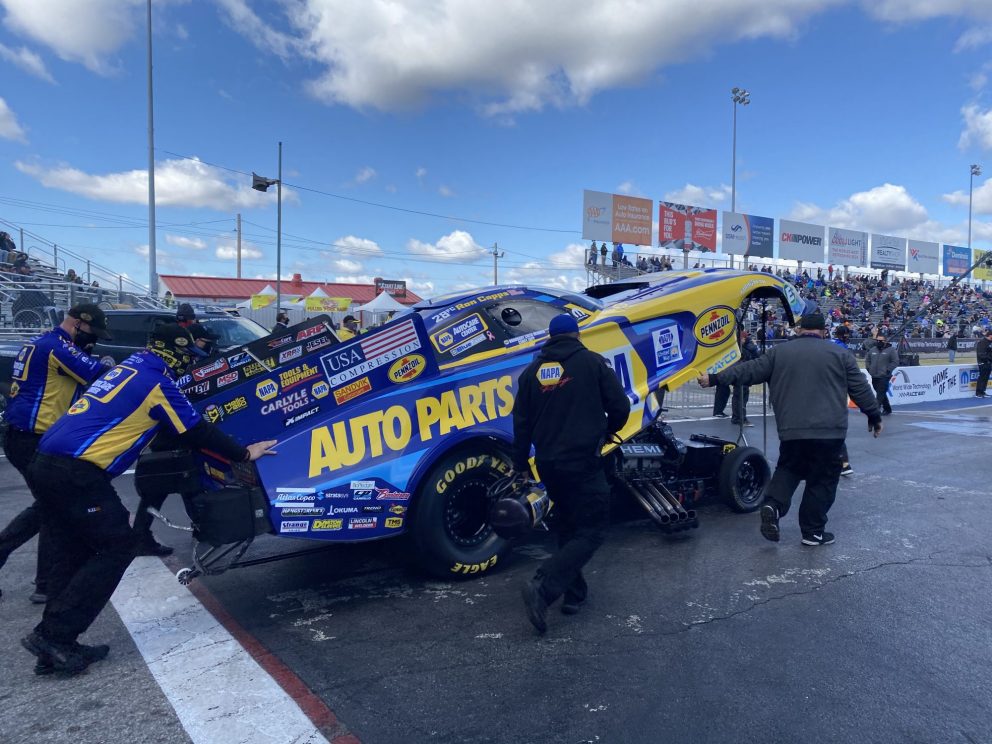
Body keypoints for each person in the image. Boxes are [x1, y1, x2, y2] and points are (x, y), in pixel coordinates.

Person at [20, 324, 277, 676]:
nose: (190, 362)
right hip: (76, 472)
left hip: (47, 462)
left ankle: (54, 645)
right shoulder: (157, 382)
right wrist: (244, 454)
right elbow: (195, 430)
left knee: (72, 550)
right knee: (117, 546)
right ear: (172, 351)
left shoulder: (130, 367)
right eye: (187, 355)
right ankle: (54, 636)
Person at [697, 313, 882, 546]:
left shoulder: (778, 353)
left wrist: (714, 378)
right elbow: (861, 389)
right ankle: (813, 532)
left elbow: (748, 371)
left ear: (799, 330)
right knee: (822, 480)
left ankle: (773, 506)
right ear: (824, 331)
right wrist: (874, 416)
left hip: (792, 429)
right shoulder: (840, 354)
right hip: (829, 432)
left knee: (789, 469)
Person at [512, 313, 629, 633]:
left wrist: (521, 464)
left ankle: (574, 595)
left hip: (548, 464)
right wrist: (607, 430)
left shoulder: (531, 372)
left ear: (550, 338)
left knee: (567, 527)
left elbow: (520, 424)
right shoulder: (592, 364)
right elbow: (620, 406)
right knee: (592, 529)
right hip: (583, 462)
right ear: (577, 335)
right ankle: (543, 586)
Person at [0, 304, 112, 602]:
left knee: (51, 506)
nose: (93, 340)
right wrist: (110, 362)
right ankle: (45, 583)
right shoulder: (57, 346)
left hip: (24, 434)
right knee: (53, 507)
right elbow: (98, 374)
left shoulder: (41, 342)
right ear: (77, 323)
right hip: (32, 437)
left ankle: (46, 582)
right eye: (92, 333)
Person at [866, 333, 899, 415]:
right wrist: (869, 369)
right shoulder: (873, 349)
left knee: (880, 393)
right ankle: (887, 409)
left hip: (884, 376)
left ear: (885, 341)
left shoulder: (891, 350)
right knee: (881, 392)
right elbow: (868, 360)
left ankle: (875, 410)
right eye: (877, 340)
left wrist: (888, 370)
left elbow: (895, 362)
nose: (878, 342)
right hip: (874, 375)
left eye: (881, 340)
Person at [976, 329, 992, 398]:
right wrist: (989, 358)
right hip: (983, 363)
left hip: (989, 363)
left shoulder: (990, 342)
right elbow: (981, 354)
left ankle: (983, 391)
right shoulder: (982, 342)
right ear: (990, 335)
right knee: (982, 378)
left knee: (986, 378)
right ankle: (978, 393)